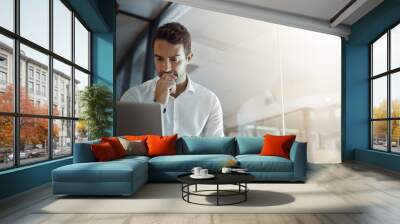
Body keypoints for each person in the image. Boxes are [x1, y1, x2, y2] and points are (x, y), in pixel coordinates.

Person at [120, 22, 224, 137]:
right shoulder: (134, 97)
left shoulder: (209, 101)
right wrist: (158, 103)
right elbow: (129, 149)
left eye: (174, 59)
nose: (166, 67)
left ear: (188, 58)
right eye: (159, 59)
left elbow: (216, 151)